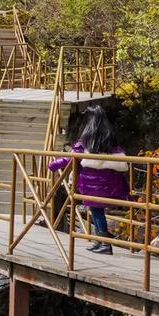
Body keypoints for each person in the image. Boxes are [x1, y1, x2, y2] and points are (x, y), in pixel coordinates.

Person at [50, 104, 131, 254]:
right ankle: (99, 241)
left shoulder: (86, 140)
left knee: (97, 212)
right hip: (110, 185)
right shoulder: (110, 139)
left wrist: (53, 165)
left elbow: (70, 158)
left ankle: (105, 244)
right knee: (97, 212)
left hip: (92, 186)